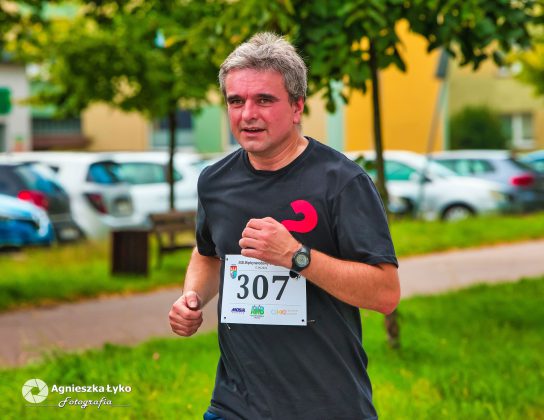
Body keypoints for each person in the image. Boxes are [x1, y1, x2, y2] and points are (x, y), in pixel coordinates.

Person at [169, 32, 400, 420]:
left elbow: (385, 293)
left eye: (264, 100)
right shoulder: (214, 181)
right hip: (235, 405)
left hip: (326, 405)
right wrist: (191, 297)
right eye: (236, 101)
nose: (248, 114)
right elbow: (209, 253)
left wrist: (297, 257)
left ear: (297, 106)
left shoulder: (342, 182)